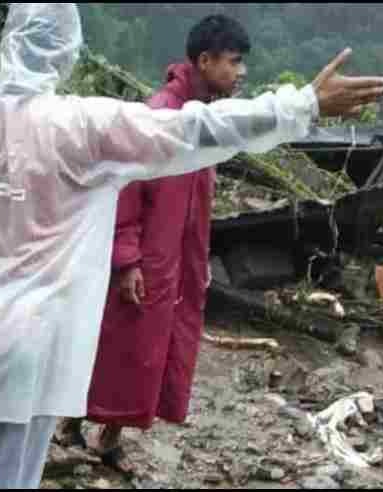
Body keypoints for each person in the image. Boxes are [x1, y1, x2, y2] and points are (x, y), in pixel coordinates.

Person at [0, 4, 383, 489]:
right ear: (66, 53)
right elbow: (194, 130)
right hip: (33, 341)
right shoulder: (76, 127)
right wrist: (302, 105)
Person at [53, 14, 257, 474]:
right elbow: (126, 190)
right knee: (126, 350)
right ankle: (85, 429)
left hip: (178, 259)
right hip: (147, 259)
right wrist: (127, 261)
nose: (241, 72)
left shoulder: (203, 119)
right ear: (204, 61)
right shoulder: (161, 113)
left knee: (148, 355)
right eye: (235, 62)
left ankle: (93, 431)